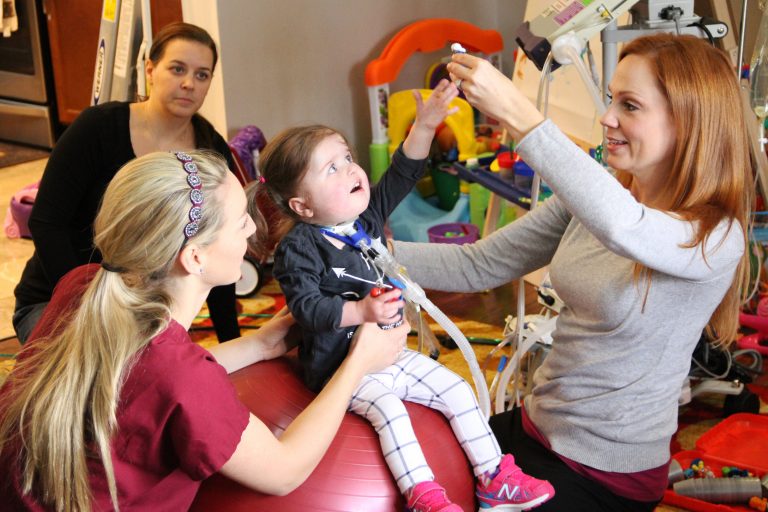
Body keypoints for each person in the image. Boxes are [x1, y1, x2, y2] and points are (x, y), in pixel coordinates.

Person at [389, 34, 752, 512]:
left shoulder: (715, 236)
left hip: (607, 475)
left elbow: (624, 227)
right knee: (402, 482)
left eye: (629, 105)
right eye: (611, 100)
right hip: (537, 428)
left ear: (688, 121)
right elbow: (478, 264)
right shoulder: (597, 199)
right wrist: (365, 250)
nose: (607, 118)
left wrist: (516, 112)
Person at [0, 150, 409, 510]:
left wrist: (258, 344)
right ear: (195, 258)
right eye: (241, 222)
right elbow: (284, 471)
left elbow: (146, 379)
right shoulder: (186, 377)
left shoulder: (84, 285)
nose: (253, 230)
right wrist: (357, 364)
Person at [258, 79, 555, 512]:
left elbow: (401, 174)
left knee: (457, 389)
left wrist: (426, 125)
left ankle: (494, 478)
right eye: (331, 169)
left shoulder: (366, 219)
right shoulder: (300, 248)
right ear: (303, 207)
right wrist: (360, 310)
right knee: (391, 411)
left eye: (347, 157)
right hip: (343, 370)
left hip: (389, 354)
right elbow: (306, 309)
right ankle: (424, 497)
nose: (350, 170)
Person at [13, 22, 241, 343]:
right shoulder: (97, 128)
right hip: (57, 301)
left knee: (156, 371)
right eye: (177, 69)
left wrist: (230, 339)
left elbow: (216, 245)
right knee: (101, 370)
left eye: (202, 75)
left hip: (143, 312)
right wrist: (87, 306)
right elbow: (46, 222)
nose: (189, 83)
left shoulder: (211, 151)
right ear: (150, 70)